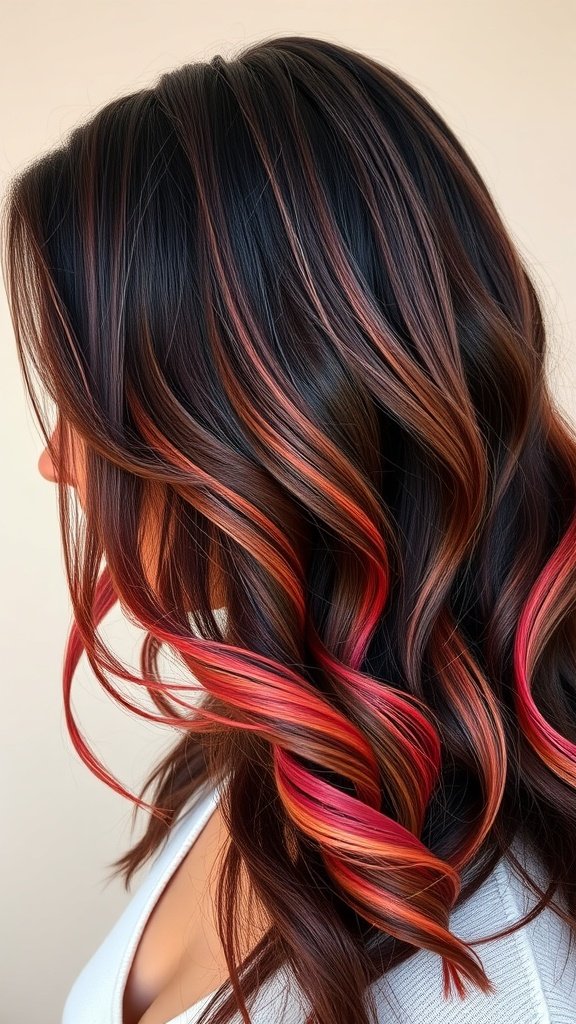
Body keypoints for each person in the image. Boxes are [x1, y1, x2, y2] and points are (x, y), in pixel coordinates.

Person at [2, 34, 576, 1024]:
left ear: (265, 419)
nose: (56, 460)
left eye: (91, 409)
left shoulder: (485, 976)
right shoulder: (275, 759)